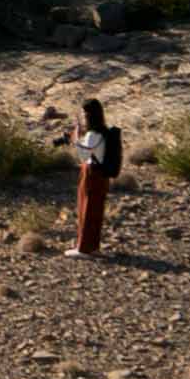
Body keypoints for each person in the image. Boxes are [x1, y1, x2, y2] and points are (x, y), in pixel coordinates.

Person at [67, 93, 122, 257]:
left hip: (92, 173)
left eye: (84, 114)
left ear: (88, 115)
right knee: (96, 211)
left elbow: (84, 156)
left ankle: (83, 249)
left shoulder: (93, 135)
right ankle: (93, 246)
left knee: (87, 209)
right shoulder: (103, 132)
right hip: (102, 175)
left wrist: (75, 139)